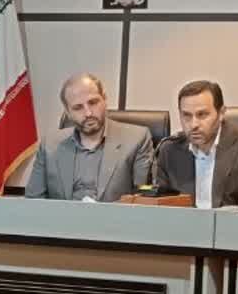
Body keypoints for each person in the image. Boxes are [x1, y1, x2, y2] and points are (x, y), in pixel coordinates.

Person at [24, 72, 152, 201]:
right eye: (78, 108)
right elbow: (33, 200)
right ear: (68, 112)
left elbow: (142, 199)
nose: (88, 113)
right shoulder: (50, 145)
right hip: (63, 214)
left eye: (93, 102)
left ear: (105, 99)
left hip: (113, 214)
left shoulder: (137, 139)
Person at [152, 80, 238, 210]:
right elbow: (160, 207)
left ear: (221, 113)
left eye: (202, 115)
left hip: (227, 223)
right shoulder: (169, 150)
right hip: (183, 223)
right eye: (186, 115)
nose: (193, 125)